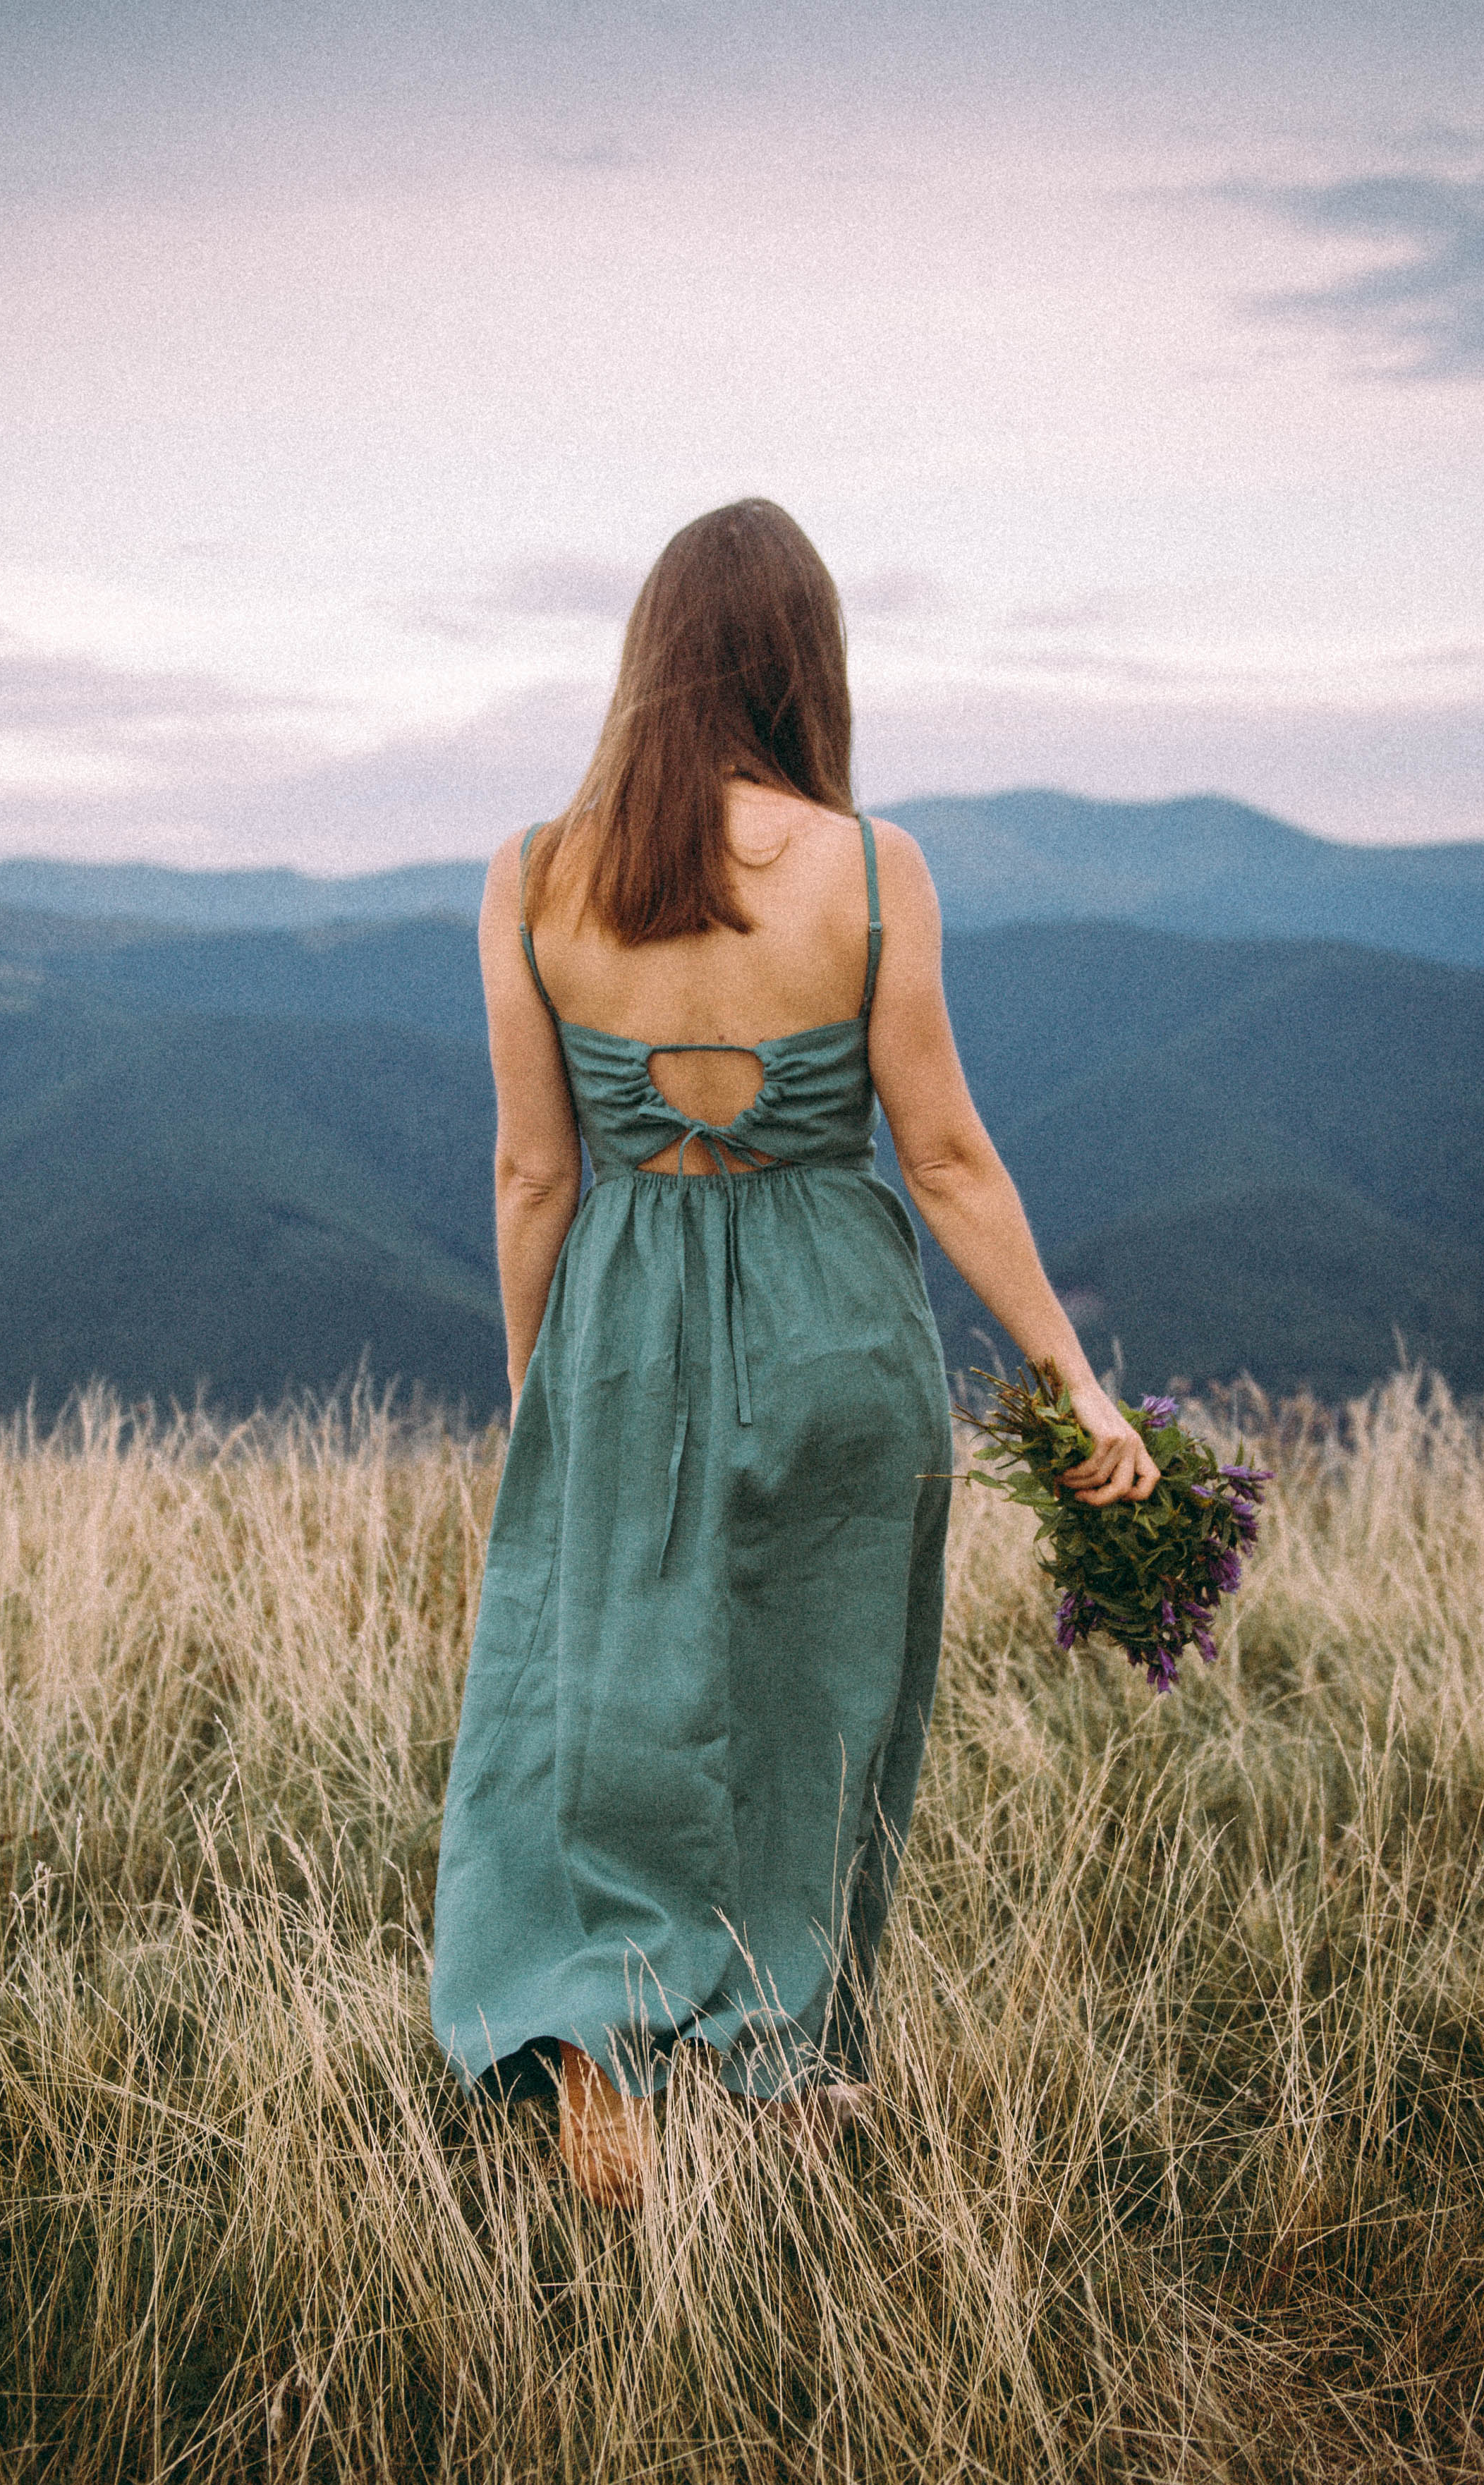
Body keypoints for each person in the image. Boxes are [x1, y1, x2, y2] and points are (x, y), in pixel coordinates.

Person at [429, 499, 1156, 2207]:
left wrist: (543, 1387)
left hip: (619, 1327)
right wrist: (1073, 1375)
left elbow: (536, 1170)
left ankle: (604, 2037)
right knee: (823, 1708)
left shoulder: (535, 874)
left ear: (648, 662)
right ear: (801, 664)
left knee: (604, 1700)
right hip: (836, 1318)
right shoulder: (871, 867)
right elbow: (951, 1156)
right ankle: (781, 2068)